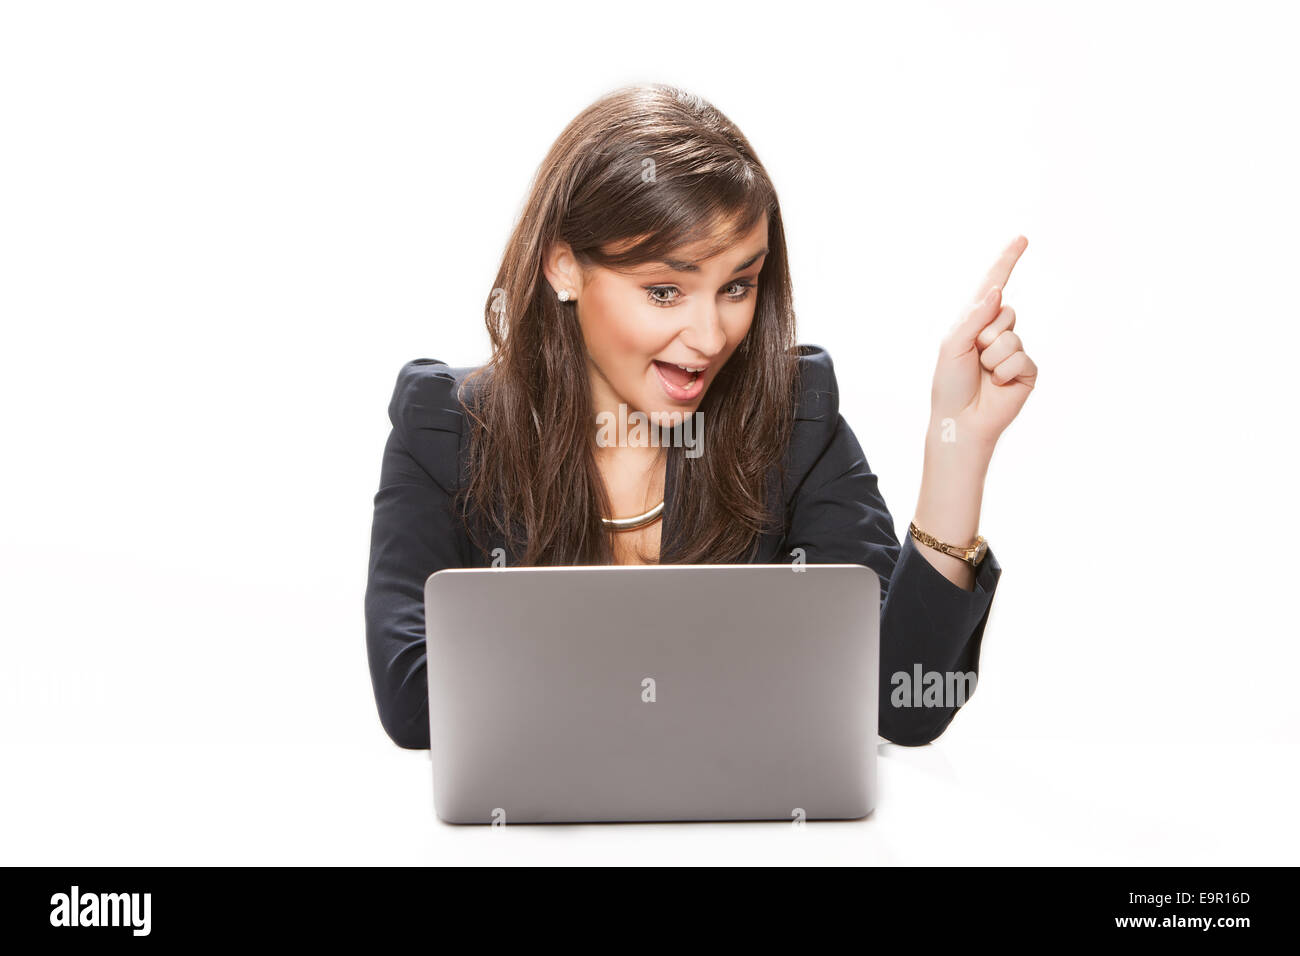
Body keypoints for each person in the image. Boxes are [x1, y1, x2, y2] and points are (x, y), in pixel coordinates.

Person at [364, 84, 1037, 750]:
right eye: (665, 291)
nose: (711, 336)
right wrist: (749, 672)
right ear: (563, 267)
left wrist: (961, 446)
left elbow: (900, 700)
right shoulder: (444, 430)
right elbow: (415, 702)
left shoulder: (793, 418)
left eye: (737, 287)